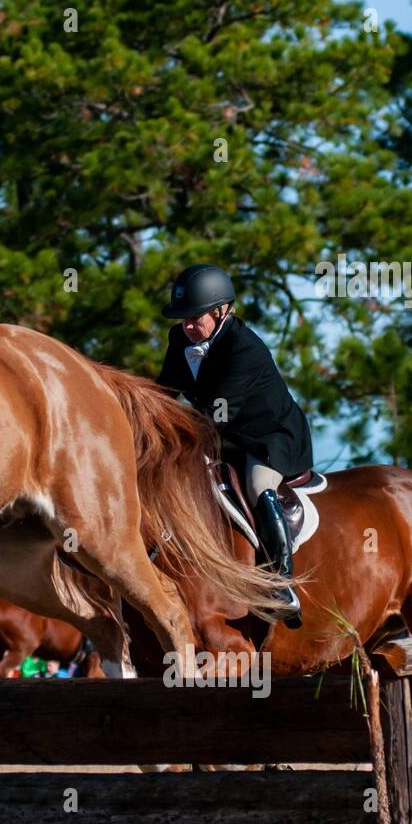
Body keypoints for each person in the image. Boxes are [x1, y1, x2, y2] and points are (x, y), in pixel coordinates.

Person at [155, 264, 314, 624]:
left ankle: (280, 581)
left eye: (194, 318)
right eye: (183, 319)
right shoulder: (180, 339)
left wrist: (180, 435)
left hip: (268, 437)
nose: (188, 326)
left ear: (221, 310)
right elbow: (164, 392)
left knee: (258, 486)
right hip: (222, 435)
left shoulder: (245, 348)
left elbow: (220, 412)